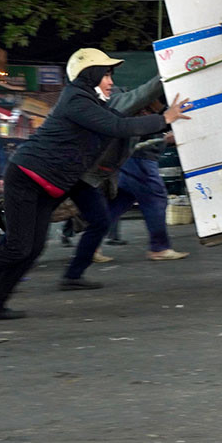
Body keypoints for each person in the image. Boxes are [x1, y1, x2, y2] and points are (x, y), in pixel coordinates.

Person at [0, 49, 188, 321]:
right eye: (106, 74)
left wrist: (162, 124)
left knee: (33, 248)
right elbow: (116, 125)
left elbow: (123, 124)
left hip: (52, 184)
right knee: (18, 247)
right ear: (88, 73)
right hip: (27, 177)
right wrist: (163, 118)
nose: (111, 81)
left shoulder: (94, 103)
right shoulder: (77, 99)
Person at [60, 78, 168, 288]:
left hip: (83, 176)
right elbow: (142, 94)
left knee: (99, 221)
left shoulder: (115, 112)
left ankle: (73, 276)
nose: (109, 81)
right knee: (31, 226)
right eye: (105, 76)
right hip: (64, 173)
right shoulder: (112, 103)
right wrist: (167, 72)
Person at [107, 129, 189, 261]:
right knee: (155, 199)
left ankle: (90, 244)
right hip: (140, 157)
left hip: (132, 155)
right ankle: (159, 248)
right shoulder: (143, 111)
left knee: (121, 201)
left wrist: (163, 138)